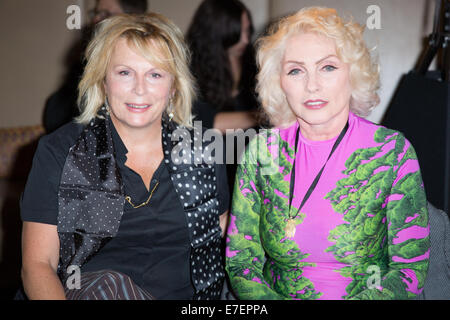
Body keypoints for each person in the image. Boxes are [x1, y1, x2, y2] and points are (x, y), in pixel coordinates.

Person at [225, 7, 430, 300]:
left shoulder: (391, 152)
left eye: (328, 67)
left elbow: (410, 270)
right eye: (296, 70)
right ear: (279, 83)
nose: (312, 85)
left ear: (353, 73)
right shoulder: (261, 152)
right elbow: (241, 261)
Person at [21, 13, 229, 300]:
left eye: (155, 74)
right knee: (110, 286)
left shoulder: (204, 152)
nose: (140, 89)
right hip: (90, 294)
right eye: (125, 73)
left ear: (173, 87)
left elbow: (227, 247)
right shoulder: (60, 150)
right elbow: (37, 266)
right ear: (103, 81)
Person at [43, 0, 148, 133]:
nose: (96, 20)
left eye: (105, 14)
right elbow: (54, 117)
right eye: (96, 13)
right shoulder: (86, 63)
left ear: (134, 18)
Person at [186, 0, 259, 133]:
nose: (245, 40)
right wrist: (262, 117)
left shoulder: (252, 60)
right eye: (237, 32)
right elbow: (206, 123)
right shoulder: (191, 66)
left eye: (247, 30)